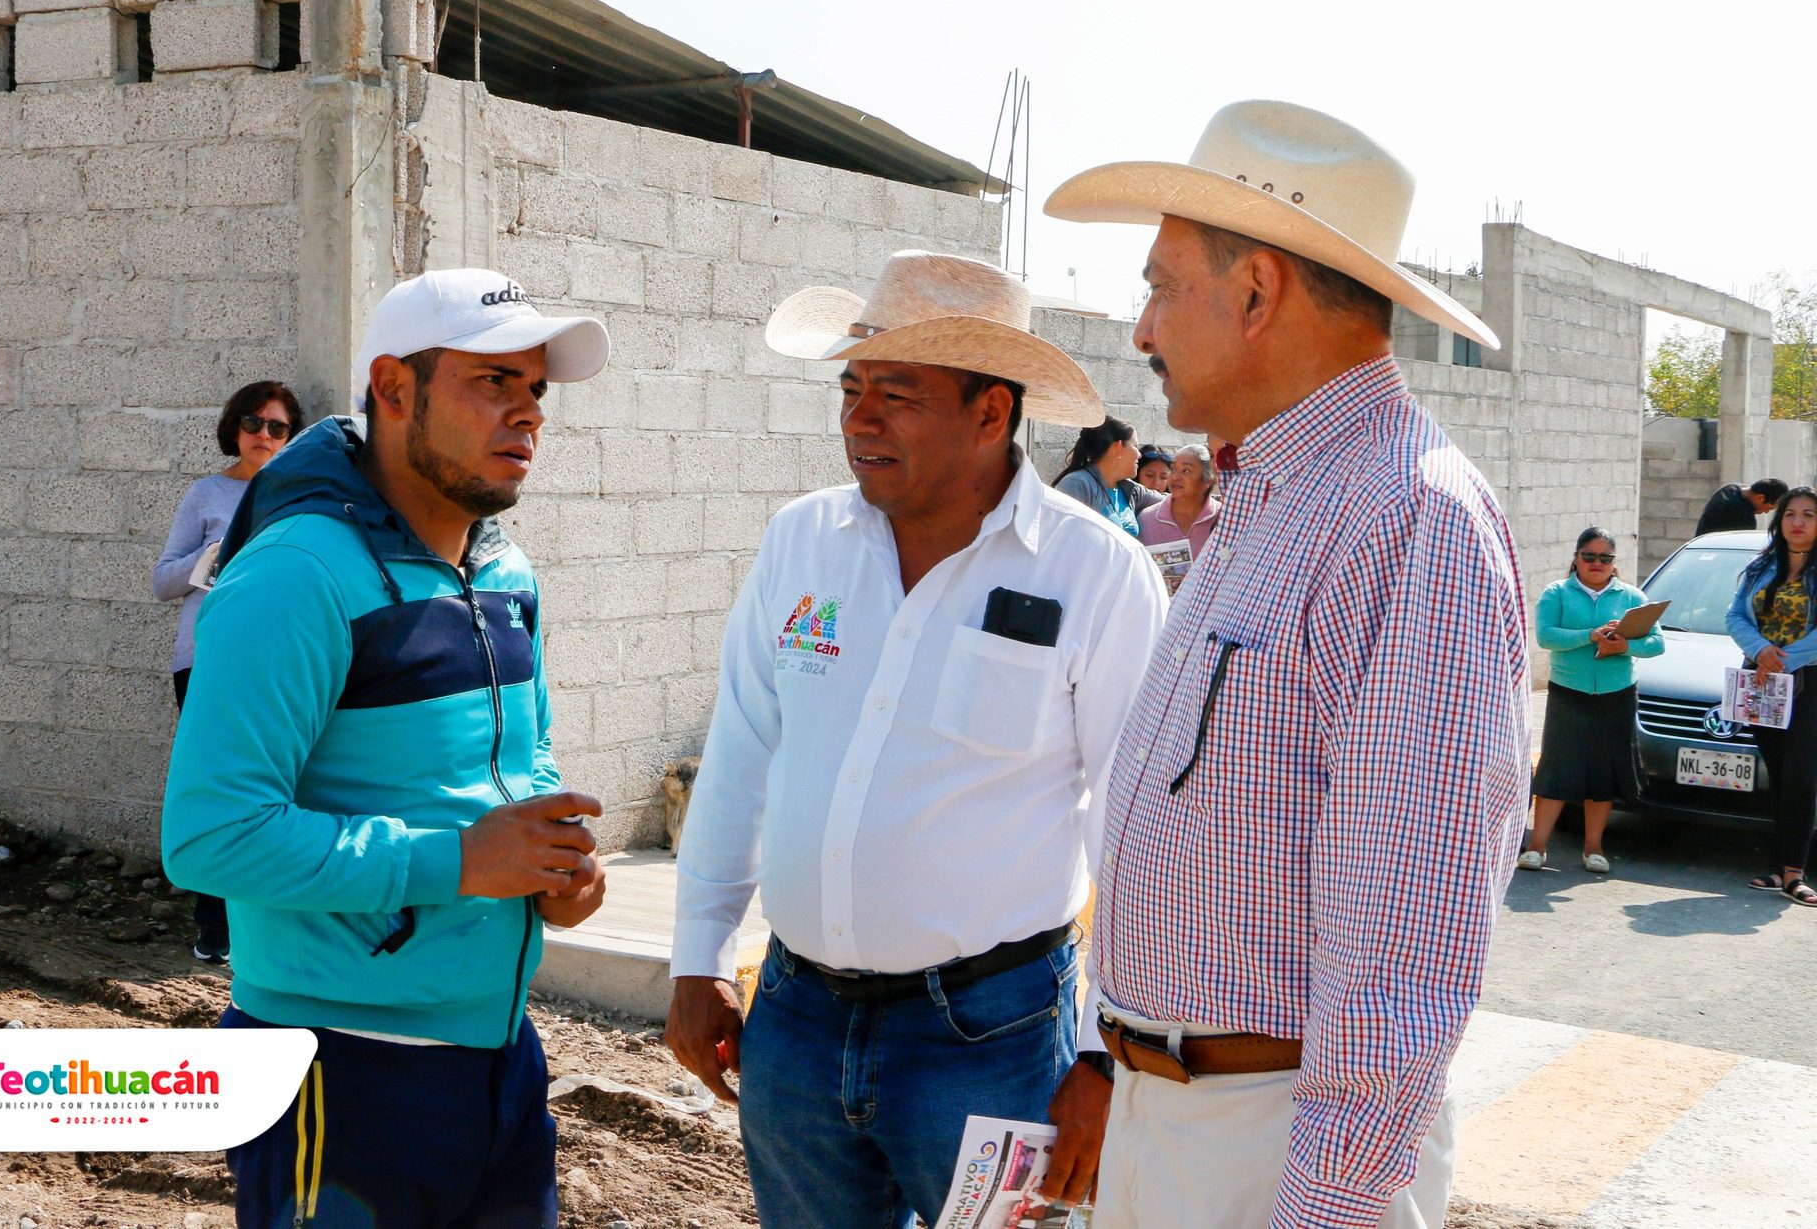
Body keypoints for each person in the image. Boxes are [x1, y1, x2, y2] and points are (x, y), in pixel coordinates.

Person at [1043, 100, 1530, 1227]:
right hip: (1182, 1114)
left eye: (1161, 286)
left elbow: (1405, 944)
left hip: (1267, 1140)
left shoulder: (1407, 517)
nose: (1140, 328)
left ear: (1256, 291)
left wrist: (1329, 1207)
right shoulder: (1271, 498)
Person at [664, 250, 1168, 1228]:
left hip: (992, 1039)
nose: (857, 417)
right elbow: (741, 758)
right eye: (850, 389)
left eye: (893, 393)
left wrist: (1110, 1057)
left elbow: (1134, 830)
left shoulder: (1094, 574)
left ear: (989, 412)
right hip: (795, 1027)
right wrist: (698, 959)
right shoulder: (799, 543)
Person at [160, 268, 613, 1228]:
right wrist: (459, 861)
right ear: (394, 391)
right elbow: (210, 837)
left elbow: (518, 764)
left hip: (499, 1055)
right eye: (492, 381)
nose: (526, 412)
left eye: (534, 388)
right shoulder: (294, 576)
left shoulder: (503, 567)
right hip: (337, 1061)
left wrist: (551, 862)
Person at [151, 379, 303, 965]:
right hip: (206, 660)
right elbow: (163, 581)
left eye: (277, 427)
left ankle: (268, 925)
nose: (262, 435)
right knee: (218, 788)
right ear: (234, 427)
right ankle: (214, 927)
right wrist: (212, 555)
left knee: (277, 790)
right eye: (252, 422)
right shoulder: (207, 495)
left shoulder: (303, 496)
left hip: (280, 664)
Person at [1522, 528, 1665, 873]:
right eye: (1589, 556)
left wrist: (1624, 646)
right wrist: (1591, 635)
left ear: (1615, 563)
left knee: (1603, 775)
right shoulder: (1557, 592)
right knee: (1556, 769)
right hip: (1569, 694)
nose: (1596, 563)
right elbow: (1546, 637)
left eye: (1606, 558)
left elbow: (1657, 644)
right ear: (1576, 558)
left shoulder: (1632, 597)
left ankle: (1594, 849)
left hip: (1616, 695)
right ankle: (1537, 847)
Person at [1727, 486, 1817, 907]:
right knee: (1779, 775)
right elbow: (1734, 615)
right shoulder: (1761, 564)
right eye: (1790, 514)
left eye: (1809, 515)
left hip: (1809, 682)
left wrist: (1781, 657)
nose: (1798, 522)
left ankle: (1796, 873)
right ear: (1779, 521)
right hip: (1762, 682)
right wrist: (1759, 651)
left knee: (1802, 775)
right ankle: (1781, 868)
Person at [1052, 417, 1145, 536]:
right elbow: (1061, 536)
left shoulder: (1131, 490)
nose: (1140, 454)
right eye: (1136, 446)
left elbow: (1171, 498)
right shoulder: (1077, 484)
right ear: (1118, 448)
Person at [1135, 443, 1221, 560]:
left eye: (1186, 471)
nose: (1175, 477)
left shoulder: (1223, 519)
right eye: (1173, 469)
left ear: (1209, 480)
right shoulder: (1146, 519)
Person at [1696, 478, 1788, 537]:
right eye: (1769, 508)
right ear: (1760, 498)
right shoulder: (1742, 514)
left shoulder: (1731, 488)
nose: (1766, 512)